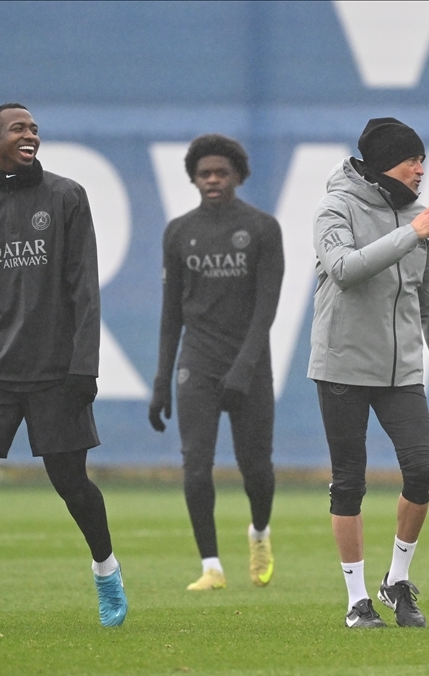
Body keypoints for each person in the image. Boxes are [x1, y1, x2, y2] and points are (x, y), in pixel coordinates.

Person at [0, 103, 126, 629]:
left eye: (35, 128)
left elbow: (84, 289)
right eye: (18, 128)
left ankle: (106, 570)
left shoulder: (66, 197)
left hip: (54, 370)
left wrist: (84, 366)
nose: (31, 135)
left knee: (71, 481)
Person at [309, 118, 429, 628]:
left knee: (422, 470)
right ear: (383, 164)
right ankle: (356, 602)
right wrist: (408, 234)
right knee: (349, 482)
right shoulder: (336, 207)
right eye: (411, 159)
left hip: (401, 375)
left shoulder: (422, 220)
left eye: (422, 160)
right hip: (342, 366)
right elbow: (345, 269)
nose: (421, 169)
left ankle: (396, 579)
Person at [148, 134, 284, 591]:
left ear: (237, 176)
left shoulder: (263, 228)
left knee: (257, 470)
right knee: (195, 464)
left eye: (220, 173)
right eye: (204, 173)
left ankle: (259, 533)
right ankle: (212, 567)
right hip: (197, 363)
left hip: (248, 364)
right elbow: (170, 314)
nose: (212, 180)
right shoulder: (178, 232)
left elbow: (267, 307)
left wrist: (244, 367)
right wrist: (161, 379)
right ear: (193, 177)